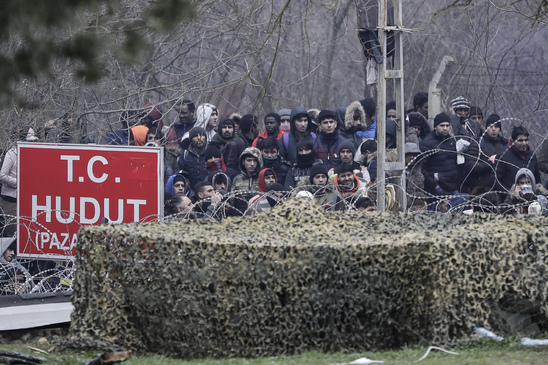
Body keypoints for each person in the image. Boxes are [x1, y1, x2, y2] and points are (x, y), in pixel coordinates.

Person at [420, 113, 466, 211]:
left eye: (447, 125)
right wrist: (436, 187)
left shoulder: (452, 141)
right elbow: (422, 169)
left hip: (452, 187)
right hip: (437, 189)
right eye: (442, 126)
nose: (445, 128)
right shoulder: (427, 143)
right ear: (436, 126)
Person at [1, 127, 38, 237]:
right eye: (29, 141)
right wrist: (21, 183)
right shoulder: (12, 153)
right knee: (11, 233)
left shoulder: (33, 154)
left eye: (33, 141)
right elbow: (2, 175)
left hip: (26, 201)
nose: (31, 144)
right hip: (10, 200)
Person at [492, 125, 541, 202]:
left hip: (530, 200)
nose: (524, 143)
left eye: (526, 140)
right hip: (508, 201)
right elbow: (494, 180)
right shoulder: (503, 157)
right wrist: (510, 192)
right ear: (512, 140)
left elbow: (537, 177)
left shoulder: (531, 156)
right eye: (520, 140)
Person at [462, 114, 507, 193]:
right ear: (486, 128)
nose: (493, 129)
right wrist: (489, 163)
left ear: (500, 129)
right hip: (480, 188)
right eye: (490, 126)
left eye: (496, 127)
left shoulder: (504, 145)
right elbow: (470, 164)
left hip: (500, 189)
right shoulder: (478, 143)